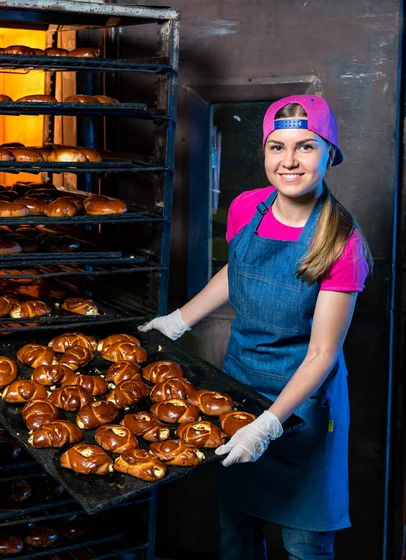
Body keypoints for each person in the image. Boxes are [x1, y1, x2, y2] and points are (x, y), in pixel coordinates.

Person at [139, 95, 372, 560]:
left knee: (304, 545)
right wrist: (178, 321)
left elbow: (322, 355)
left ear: (329, 154)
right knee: (237, 535)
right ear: (264, 153)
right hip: (240, 386)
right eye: (276, 147)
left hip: (303, 406)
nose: (288, 161)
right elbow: (238, 271)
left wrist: (267, 425)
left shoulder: (342, 242)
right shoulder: (248, 208)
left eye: (305, 147)